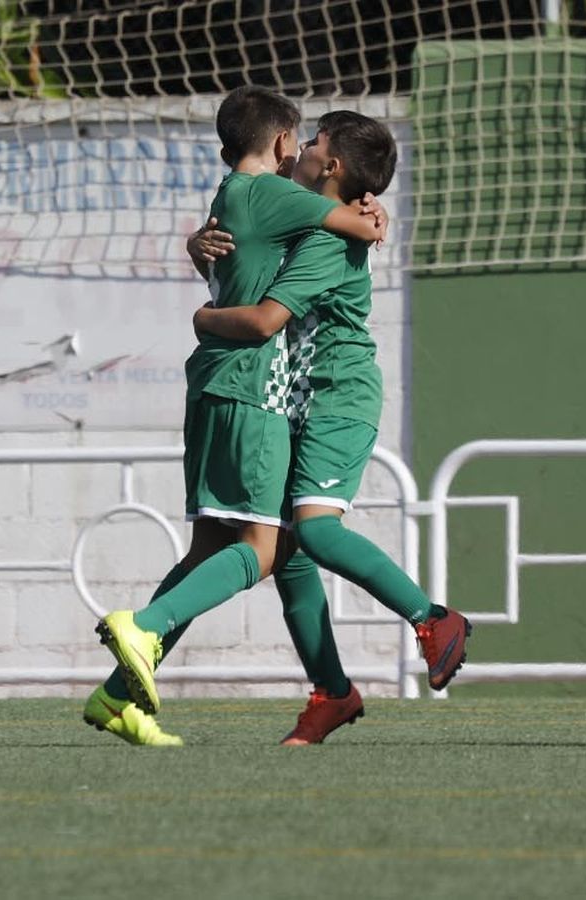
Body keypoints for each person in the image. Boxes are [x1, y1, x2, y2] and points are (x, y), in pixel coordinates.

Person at [84, 85, 387, 744]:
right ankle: (145, 627)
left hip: (214, 388)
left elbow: (239, 257)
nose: (305, 150)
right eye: (302, 140)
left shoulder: (228, 197)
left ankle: (118, 697)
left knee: (221, 547)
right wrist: (369, 216)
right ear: (282, 145)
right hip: (254, 389)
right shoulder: (279, 196)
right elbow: (351, 227)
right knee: (267, 546)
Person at [192, 111, 472, 745]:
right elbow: (252, 261)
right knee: (286, 551)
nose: (303, 150)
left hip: (337, 397)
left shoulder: (326, 237)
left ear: (332, 166)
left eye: (314, 144)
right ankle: (332, 693)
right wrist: (198, 247)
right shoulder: (309, 222)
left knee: (316, 532)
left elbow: (264, 317)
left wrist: (203, 319)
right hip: (297, 397)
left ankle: (433, 618)